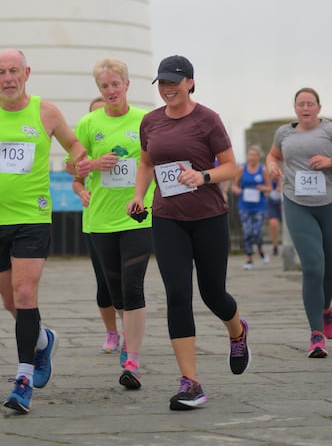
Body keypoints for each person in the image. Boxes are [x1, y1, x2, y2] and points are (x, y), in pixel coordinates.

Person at [0, 48, 86, 415]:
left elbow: (74, 146)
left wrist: (80, 161)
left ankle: (23, 379)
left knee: (26, 294)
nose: (8, 78)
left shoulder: (47, 112)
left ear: (27, 73)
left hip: (33, 216)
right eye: (0, 72)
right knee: (10, 302)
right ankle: (42, 340)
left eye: (14, 71)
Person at [127, 55, 250, 413]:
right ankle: (190, 382)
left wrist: (203, 176)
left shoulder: (207, 119)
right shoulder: (150, 122)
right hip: (167, 219)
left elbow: (231, 166)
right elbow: (147, 163)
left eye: (174, 82)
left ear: (190, 83)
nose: (167, 89)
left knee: (213, 293)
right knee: (178, 294)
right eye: (162, 83)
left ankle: (237, 331)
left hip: (209, 217)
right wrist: (138, 196)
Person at [73, 59, 153, 391]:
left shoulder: (145, 122)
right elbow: (71, 168)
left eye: (115, 84)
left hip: (137, 215)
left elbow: (155, 160)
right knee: (116, 291)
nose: (110, 91)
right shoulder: (89, 123)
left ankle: (132, 358)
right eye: (104, 86)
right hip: (101, 220)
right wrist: (92, 163)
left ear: (127, 84)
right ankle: (121, 333)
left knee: (134, 286)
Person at [266, 87, 332, 359]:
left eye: (310, 104)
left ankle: (326, 308)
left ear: (319, 107)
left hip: (330, 202)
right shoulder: (284, 133)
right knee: (312, 266)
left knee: (329, 269)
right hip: (297, 202)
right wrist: (272, 165)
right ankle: (316, 336)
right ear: (295, 108)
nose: (305, 108)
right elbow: (273, 155)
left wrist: (330, 161)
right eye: (300, 104)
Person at [71, 96, 122, 355]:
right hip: (96, 221)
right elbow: (75, 177)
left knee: (127, 282)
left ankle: (130, 332)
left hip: (126, 218)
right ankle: (112, 332)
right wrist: (82, 193)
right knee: (104, 281)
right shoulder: (86, 149)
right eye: (95, 114)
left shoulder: (125, 143)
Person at [233, 145, 269, 268]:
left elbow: (269, 187)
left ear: (259, 157)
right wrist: (237, 190)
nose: (252, 157)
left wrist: (263, 188)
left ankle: (260, 249)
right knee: (247, 231)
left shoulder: (263, 170)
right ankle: (249, 259)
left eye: (254, 155)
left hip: (259, 206)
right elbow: (235, 185)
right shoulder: (242, 169)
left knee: (256, 231)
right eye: (250, 155)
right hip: (244, 206)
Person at [266, 177, 283, 255]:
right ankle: (275, 246)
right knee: (273, 224)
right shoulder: (268, 171)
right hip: (272, 203)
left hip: (284, 202)